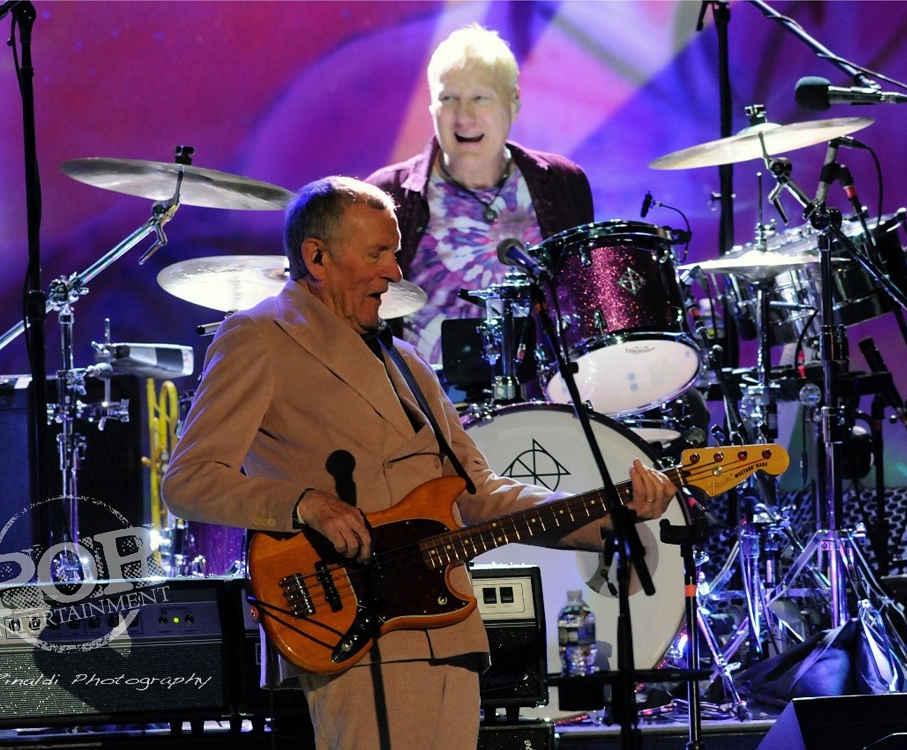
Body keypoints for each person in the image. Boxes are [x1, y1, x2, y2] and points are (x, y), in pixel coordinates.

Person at [161, 176, 676, 750]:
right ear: (317, 257)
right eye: (377, 253)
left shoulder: (407, 362)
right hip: (353, 628)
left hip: (448, 628)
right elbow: (188, 481)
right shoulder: (258, 337)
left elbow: (478, 494)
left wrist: (610, 513)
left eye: (395, 253)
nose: (395, 272)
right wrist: (304, 504)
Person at [365, 24, 594, 366]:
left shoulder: (563, 183)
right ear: (432, 107)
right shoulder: (387, 194)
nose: (464, 117)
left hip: (546, 391)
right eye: (449, 99)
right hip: (424, 393)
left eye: (480, 98)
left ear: (514, 102)